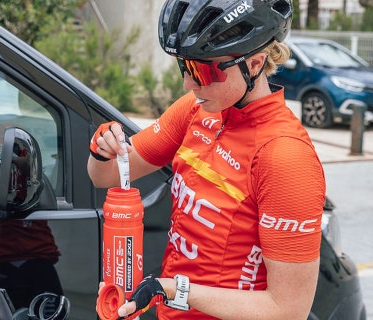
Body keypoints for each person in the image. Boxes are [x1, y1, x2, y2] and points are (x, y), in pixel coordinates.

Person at [88, 0, 326, 319]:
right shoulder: (195, 109)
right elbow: (106, 177)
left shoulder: (286, 157)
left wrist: (173, 290)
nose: (188, 84)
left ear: (254, 63)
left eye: (202, 70)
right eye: (185, 67)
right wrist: (102, 147)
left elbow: (288, 311)